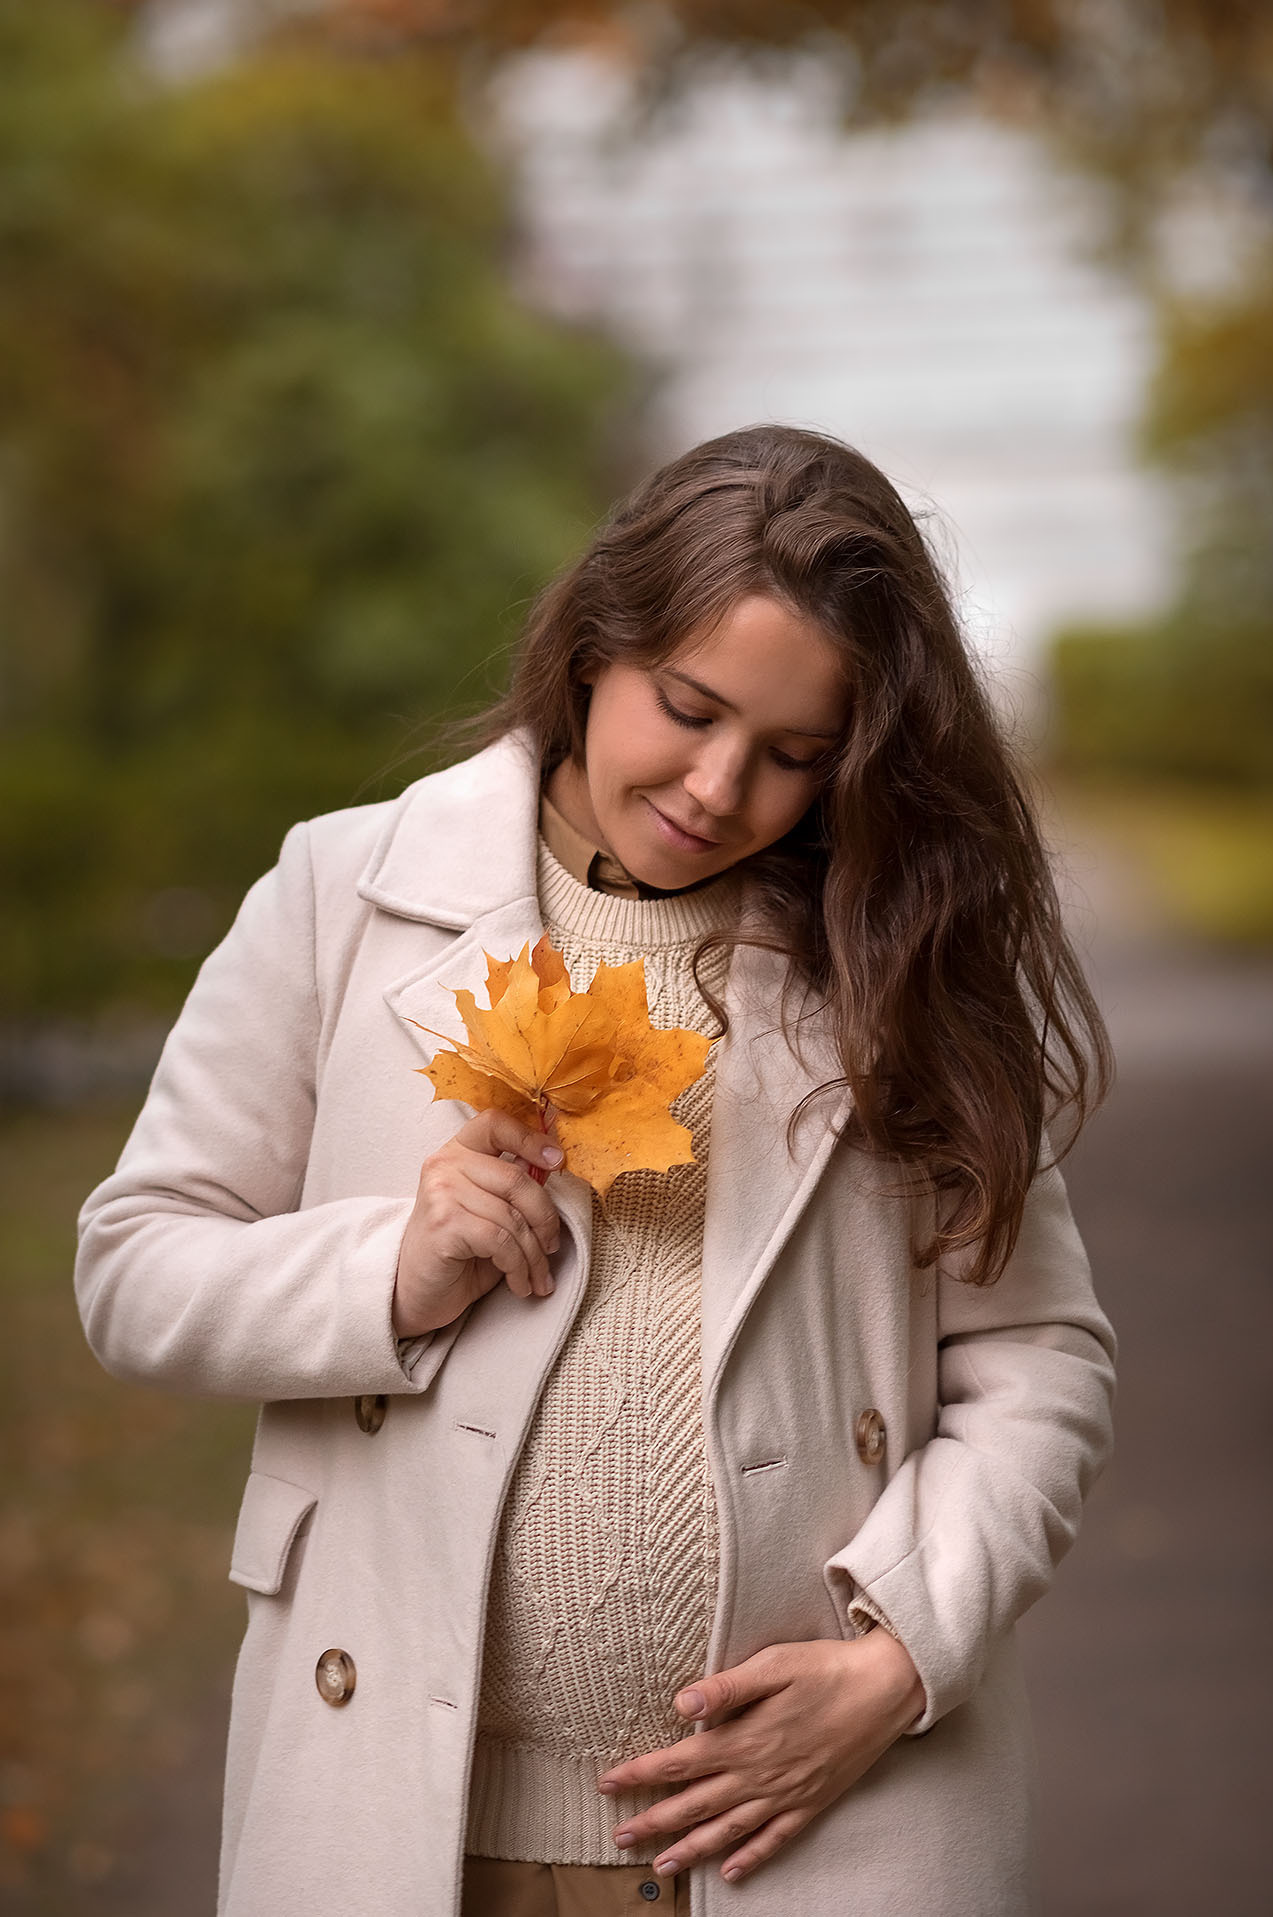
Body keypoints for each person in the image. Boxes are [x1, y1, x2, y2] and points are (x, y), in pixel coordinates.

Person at [76, 424, 1116, 1917]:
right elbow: (134, 1264)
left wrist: (901, 1659)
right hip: (416, 1828)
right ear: (593, 645)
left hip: (816, 1821)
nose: (717, 783)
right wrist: (391, 1268)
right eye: (688, 708)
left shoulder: (894, 959)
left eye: (794, 756)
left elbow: (1038, 1351)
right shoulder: (341, 893)